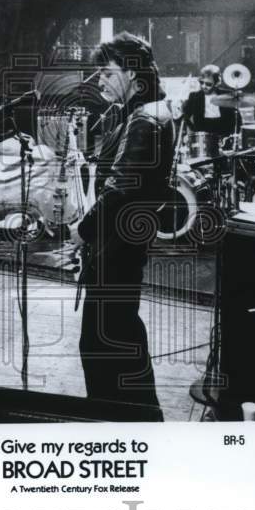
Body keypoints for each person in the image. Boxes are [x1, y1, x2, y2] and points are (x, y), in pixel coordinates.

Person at [74, 32, 175, 408]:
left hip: (115, 251)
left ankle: (113, 423)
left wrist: (81, 230)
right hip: (125, 248)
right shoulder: (151, 111)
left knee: (102, 346)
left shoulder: (143, 119)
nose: (98, 79)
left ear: (132, 73)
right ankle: (138, 419)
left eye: (106, 71)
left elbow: (118, 191)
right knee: (123, 341)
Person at [181, 64, 238, 135]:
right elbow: (186, 117)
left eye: (208, 84)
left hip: (223, 131)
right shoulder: (194, 96)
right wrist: (194, 130)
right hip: (203, 131)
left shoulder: (227, 95)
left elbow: (236, 119)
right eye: (201, 82)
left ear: (217, 83)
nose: (203, 86)